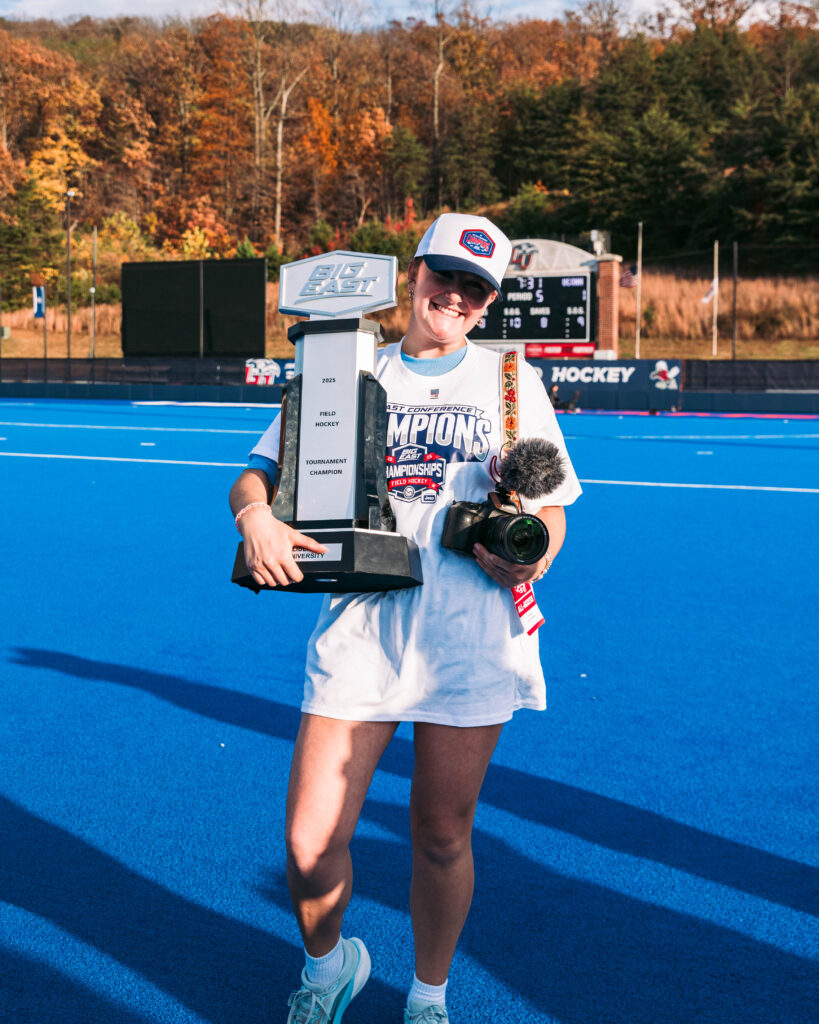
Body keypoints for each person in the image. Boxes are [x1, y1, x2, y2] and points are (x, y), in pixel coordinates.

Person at [229, 213, 582, 1024]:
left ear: (486, 303)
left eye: (473, 288)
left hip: (470, 633)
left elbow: (552, 510)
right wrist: (255, 520)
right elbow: (255, 476)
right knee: (309, 841)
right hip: (361, 628)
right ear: (413, 276)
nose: (452, 296)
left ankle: (427, 997)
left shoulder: (507, 382)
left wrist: (533, 556)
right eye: (442, 276)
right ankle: (329, 968)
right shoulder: (347, 368)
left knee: (440, 833)